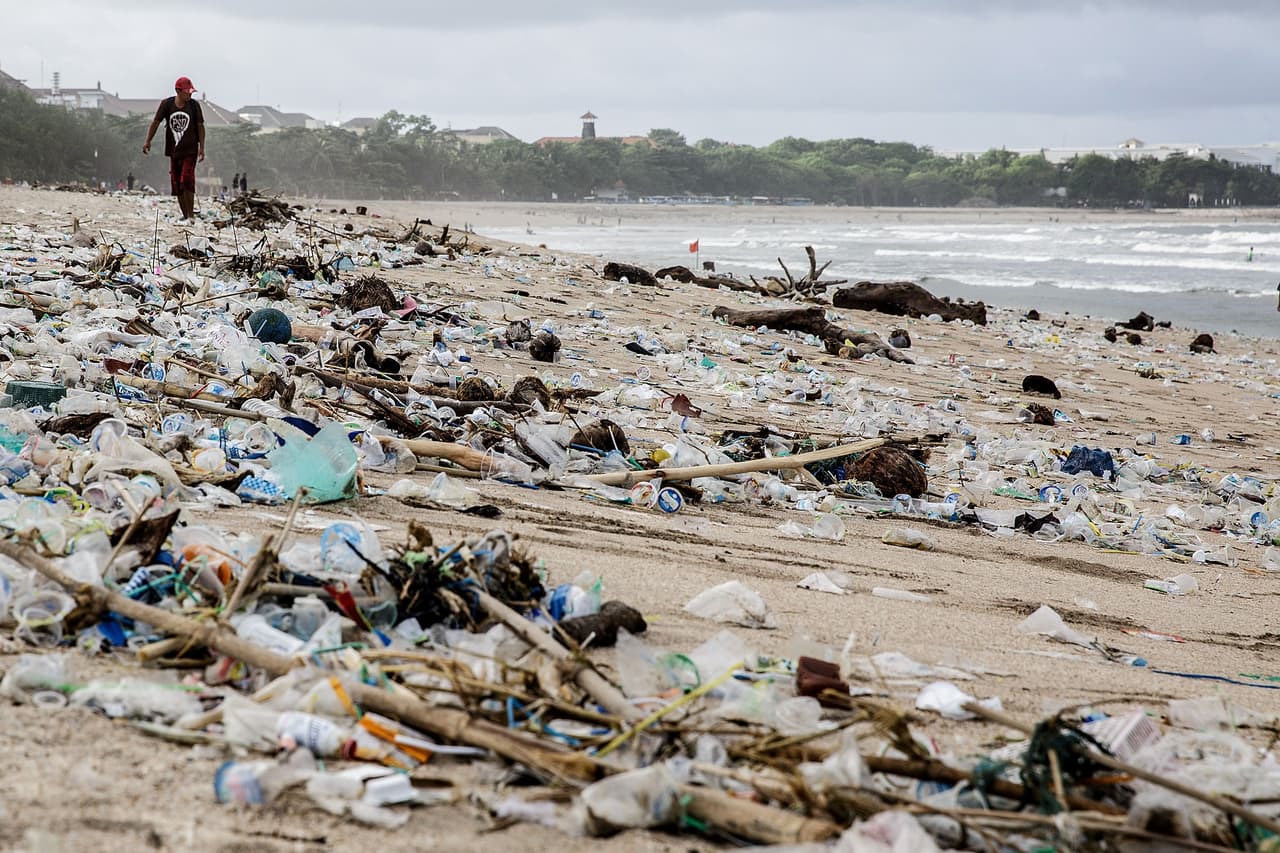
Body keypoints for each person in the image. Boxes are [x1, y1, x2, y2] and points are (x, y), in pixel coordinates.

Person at [141, 76, 205, 220]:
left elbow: (200, 127)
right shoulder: (167, 104)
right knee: (177, 185)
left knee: (187, 180)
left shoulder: (194, 106)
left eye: (191, 92)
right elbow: (155, 123)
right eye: (187, 92)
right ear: (178, 91)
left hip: (190, 150)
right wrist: (148, 141)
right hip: (174, 151)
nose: (190, 95)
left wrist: (202, 147)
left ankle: (191, 215)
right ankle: (185, 215)